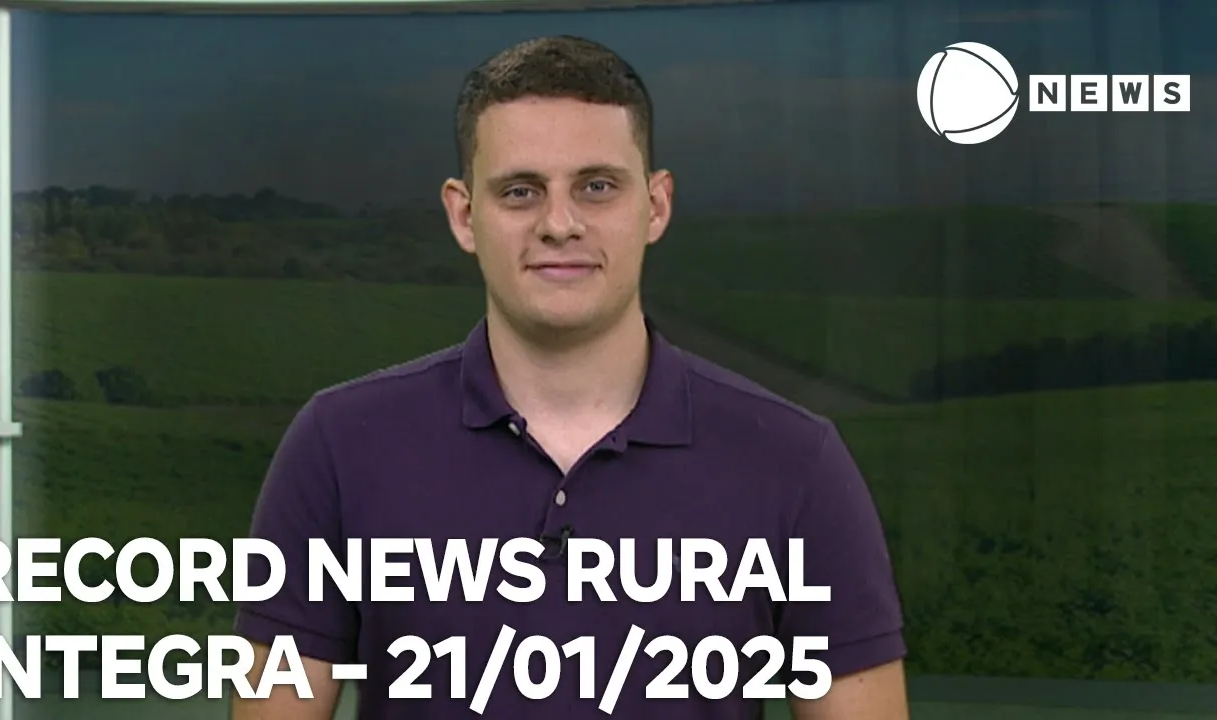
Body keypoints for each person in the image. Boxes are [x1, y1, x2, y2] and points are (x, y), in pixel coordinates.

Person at [232, 35, 908, 719]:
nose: (559, 224)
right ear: (464, 215)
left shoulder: (796, 463)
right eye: (520, 191)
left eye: (597, 187)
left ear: (656, 205)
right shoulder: (339, 447)